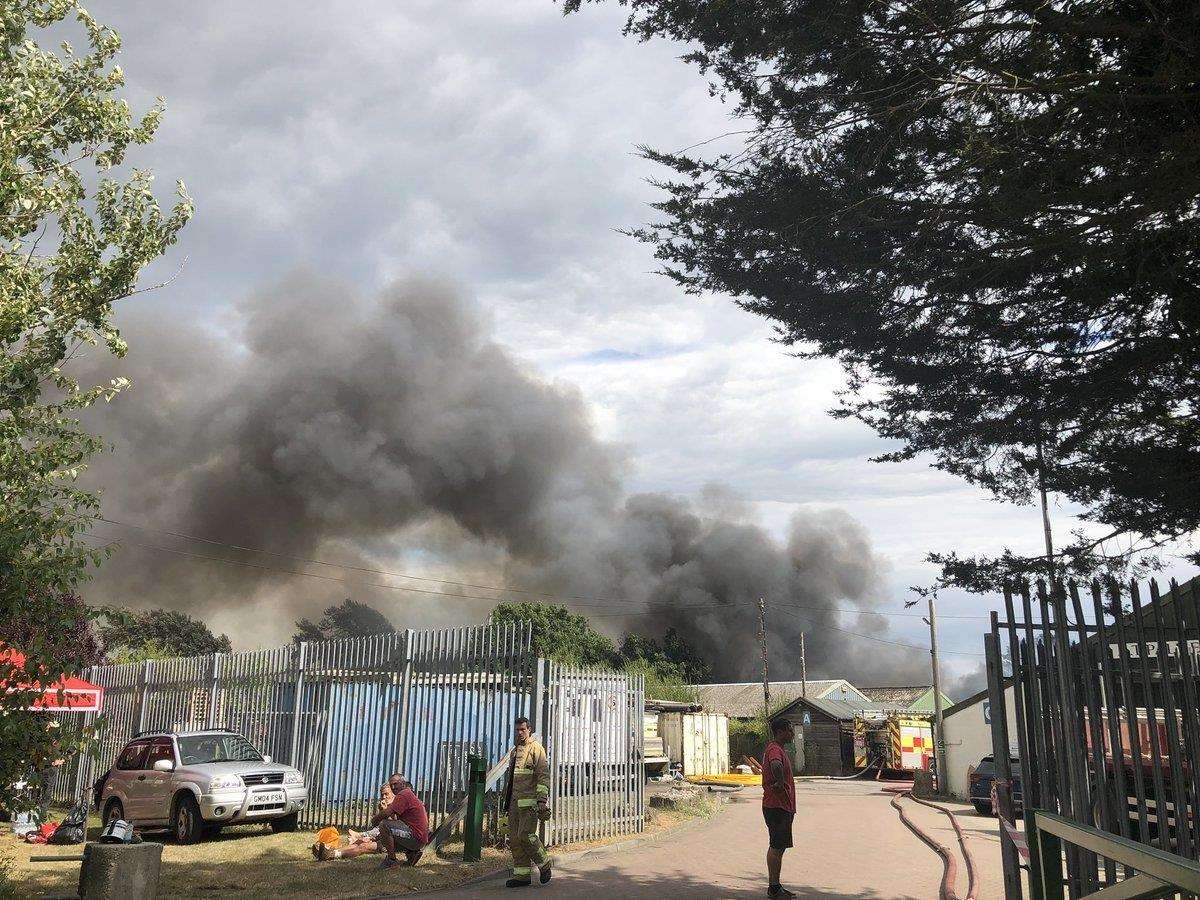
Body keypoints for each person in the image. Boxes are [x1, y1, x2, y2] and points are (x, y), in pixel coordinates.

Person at [502, 716, 551, 888]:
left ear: (529, 729)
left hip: (530, 804)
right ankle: (522, 876)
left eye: (523, 729)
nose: (520, 732)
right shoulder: (515, 751)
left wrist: (541, 801)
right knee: (515, 840)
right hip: (515, 804)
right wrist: (506, 803)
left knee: (526, 836)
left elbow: (543, 776)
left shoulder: (536, 749)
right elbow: (512, 780)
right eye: (517, 730)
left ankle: (545, 864)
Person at [762, 718, 797, 898]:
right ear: (781, 731)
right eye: (790, 730)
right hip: (777, 806)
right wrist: (780, 781)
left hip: (780, 806)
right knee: (776, 846)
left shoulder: (777, 749)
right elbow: (776, 764)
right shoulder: (775, 749)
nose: (791, 734)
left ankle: (775, 885)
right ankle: (774, 887)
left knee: (779, 846)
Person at [371, 774, 428, 870]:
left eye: (395, 784)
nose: (393, 787)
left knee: (384, 825)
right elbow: (395, 820)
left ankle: (392, 861)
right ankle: (411, 853)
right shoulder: (407, 794)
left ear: (403, 783)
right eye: (391, 785)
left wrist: (374, 820)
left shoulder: (403, 794)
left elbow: (386, 815)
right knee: (385, 836)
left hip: (415, 838)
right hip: (419, 838)